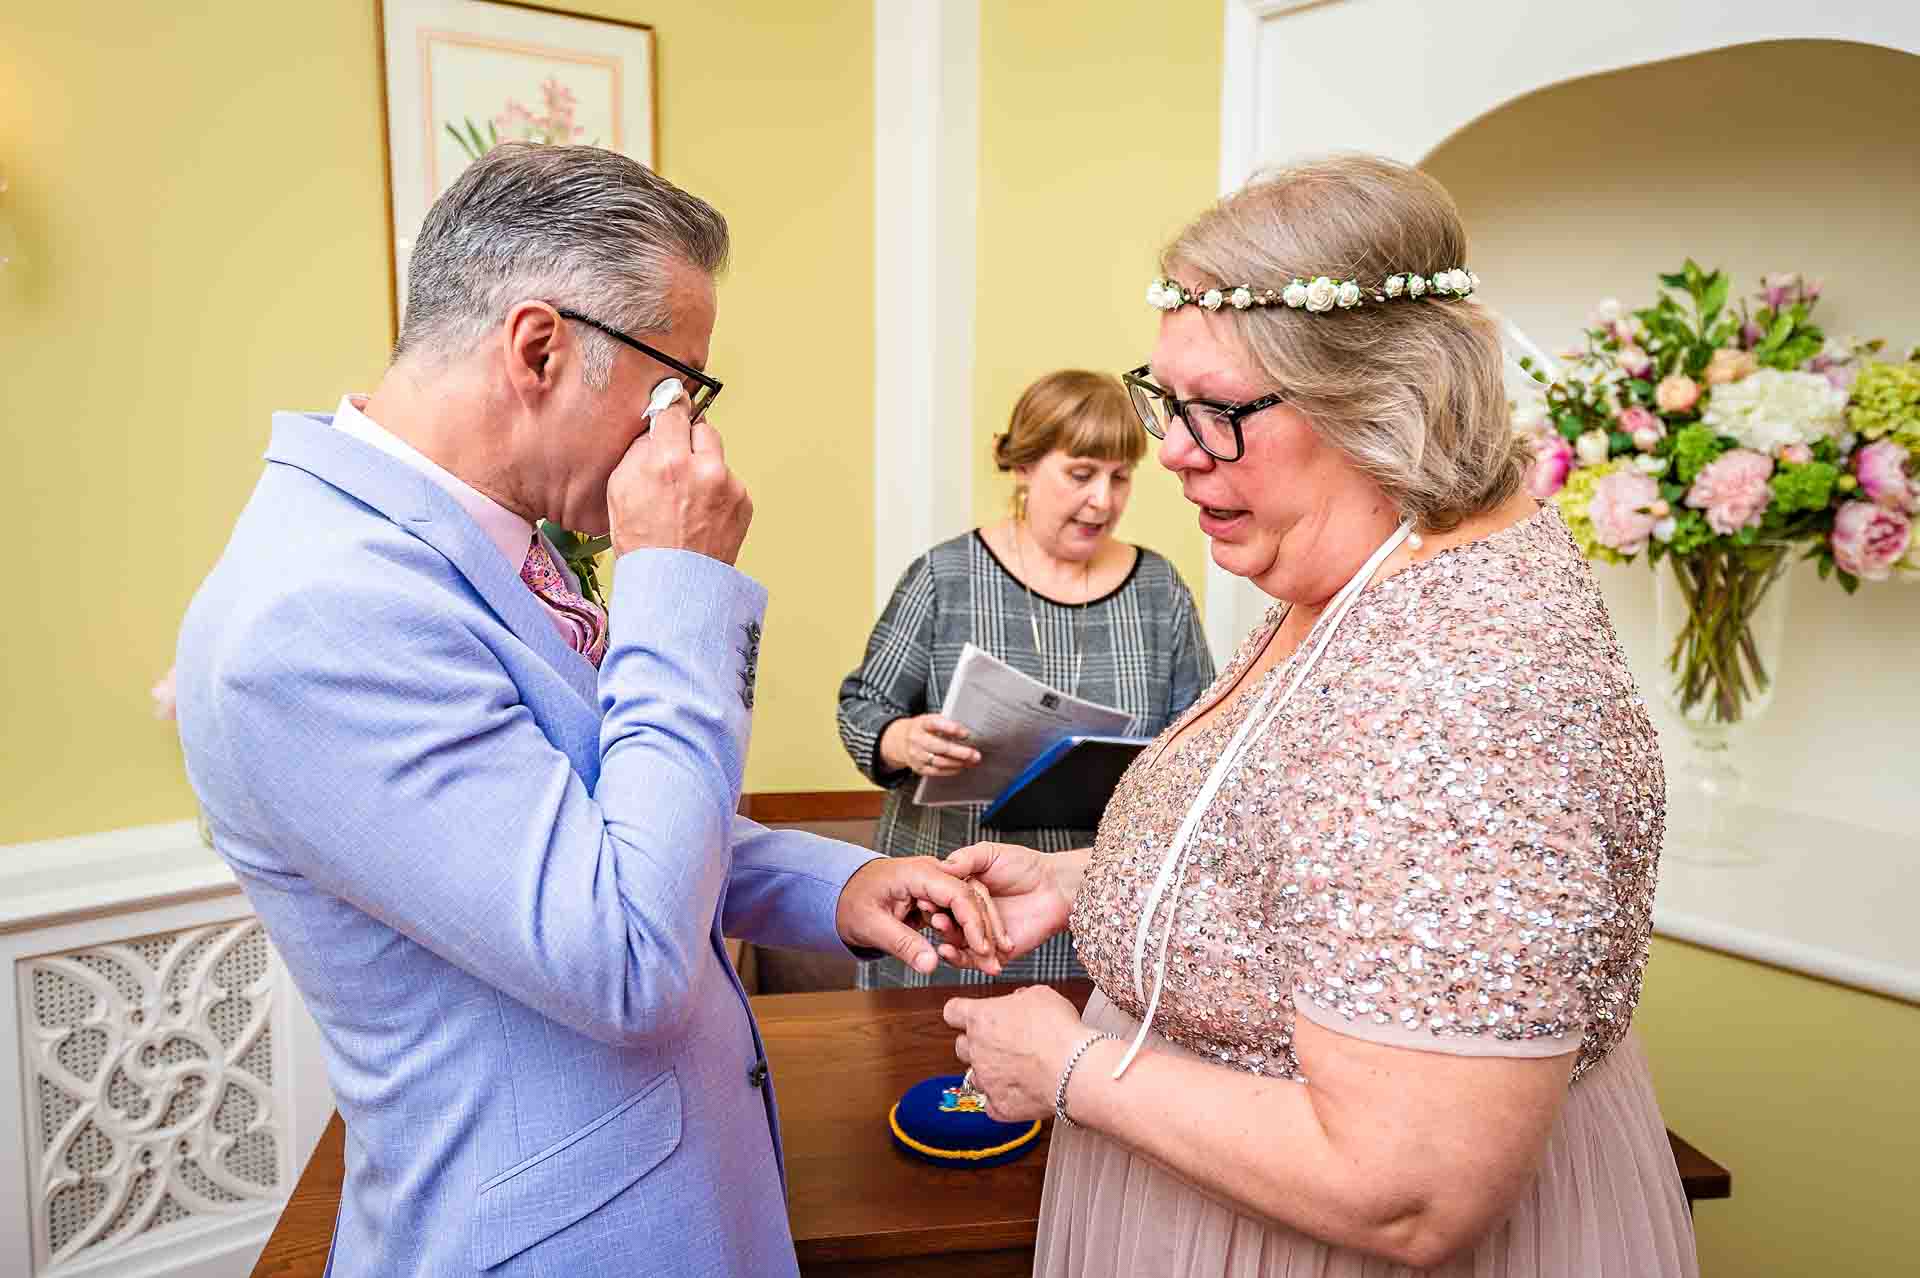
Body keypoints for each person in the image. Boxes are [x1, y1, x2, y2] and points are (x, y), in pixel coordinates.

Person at [173, 144, 1005, 1278]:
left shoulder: (478, 548)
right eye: (679, 386)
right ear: (539, 348)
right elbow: (625, 953)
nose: (689, 434)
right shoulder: (322, 612)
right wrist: (677, 586)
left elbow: (602, 820)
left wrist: (840, 886)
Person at [933, 156, 1698, 1276]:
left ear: (1379, 399)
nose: (1176, 452)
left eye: (1219, 413)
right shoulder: (1356, 578)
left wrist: (1067, 1069)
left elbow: (1408, 1190)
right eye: (1168, 401)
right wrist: (1092, 882)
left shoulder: (1463, 691)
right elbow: (1331, 870)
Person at [837, 370, 1215, 989]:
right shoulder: (945, 576)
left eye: (1120, 477)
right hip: (953, 913)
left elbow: (1201, 745)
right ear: (1024, 466)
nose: (1104, 500)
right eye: (1081, 473)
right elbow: (863, 710)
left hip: (1091, 916)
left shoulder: (1159, 590)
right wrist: (901, 740)